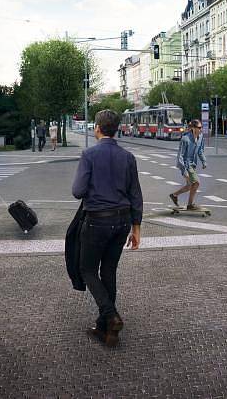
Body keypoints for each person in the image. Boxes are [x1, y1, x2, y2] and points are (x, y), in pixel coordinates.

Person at [72, 109, 143, 347]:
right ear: (116, 129)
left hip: (97, 221)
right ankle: (107, 329)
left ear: (98, 128)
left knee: (87, 269)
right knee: (109, 270)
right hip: (122, 221)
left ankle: (110, 315)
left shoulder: (89, 155)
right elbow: (136, 195)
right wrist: (137, 229)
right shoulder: (128, 156)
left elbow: (77, 191)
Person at [170, 119, 208, 210]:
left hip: (193, 164)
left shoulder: (201, 137)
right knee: (196, 182)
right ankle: (190, 205)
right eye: (199, 127)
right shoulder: (185, 139)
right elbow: (180, 156)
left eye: (201, 127)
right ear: (193, 128)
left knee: (190, 185)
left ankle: (174, 195)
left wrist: (204, 161)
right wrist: (184, 170)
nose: (201, 129)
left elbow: (200, 151)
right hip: (186, 165)